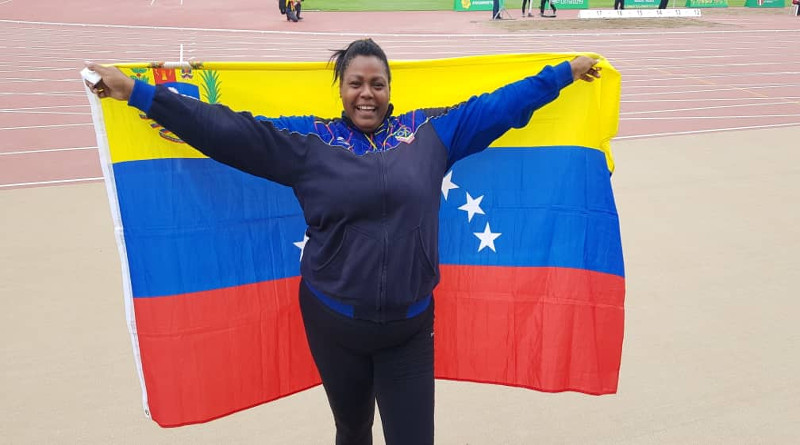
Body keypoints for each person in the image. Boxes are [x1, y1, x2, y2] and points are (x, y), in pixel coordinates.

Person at [85, 38, 600, 445]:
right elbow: (227, 131)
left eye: (377, 83)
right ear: (341, 89)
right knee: (352, 431)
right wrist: (139, 93)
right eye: (356, 83)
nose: (366, 94)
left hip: (408, 331)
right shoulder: (309, 144)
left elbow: (502, 106)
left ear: (390, 89)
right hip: (334, 324)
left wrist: (563, 74)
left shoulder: (432, 133)